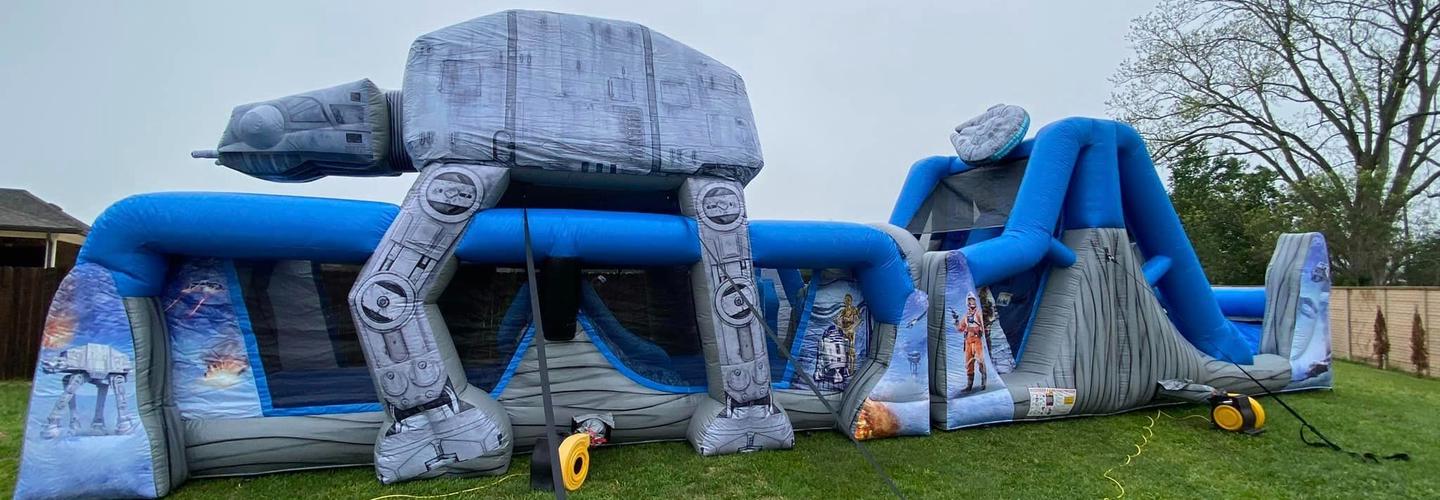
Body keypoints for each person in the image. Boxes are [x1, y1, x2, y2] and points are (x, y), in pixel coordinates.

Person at [950, 293, 987, 392]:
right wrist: (956, 321)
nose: (971, 302)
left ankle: (984, 382)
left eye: (973, 300)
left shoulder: (978, 313)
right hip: (968, 341)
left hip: (977, 339)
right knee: (969, 363)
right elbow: (960, 328)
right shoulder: (966, 316)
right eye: (970, 300)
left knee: (980, 360)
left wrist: (983, 337)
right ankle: (969, 386)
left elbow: (983, 327)